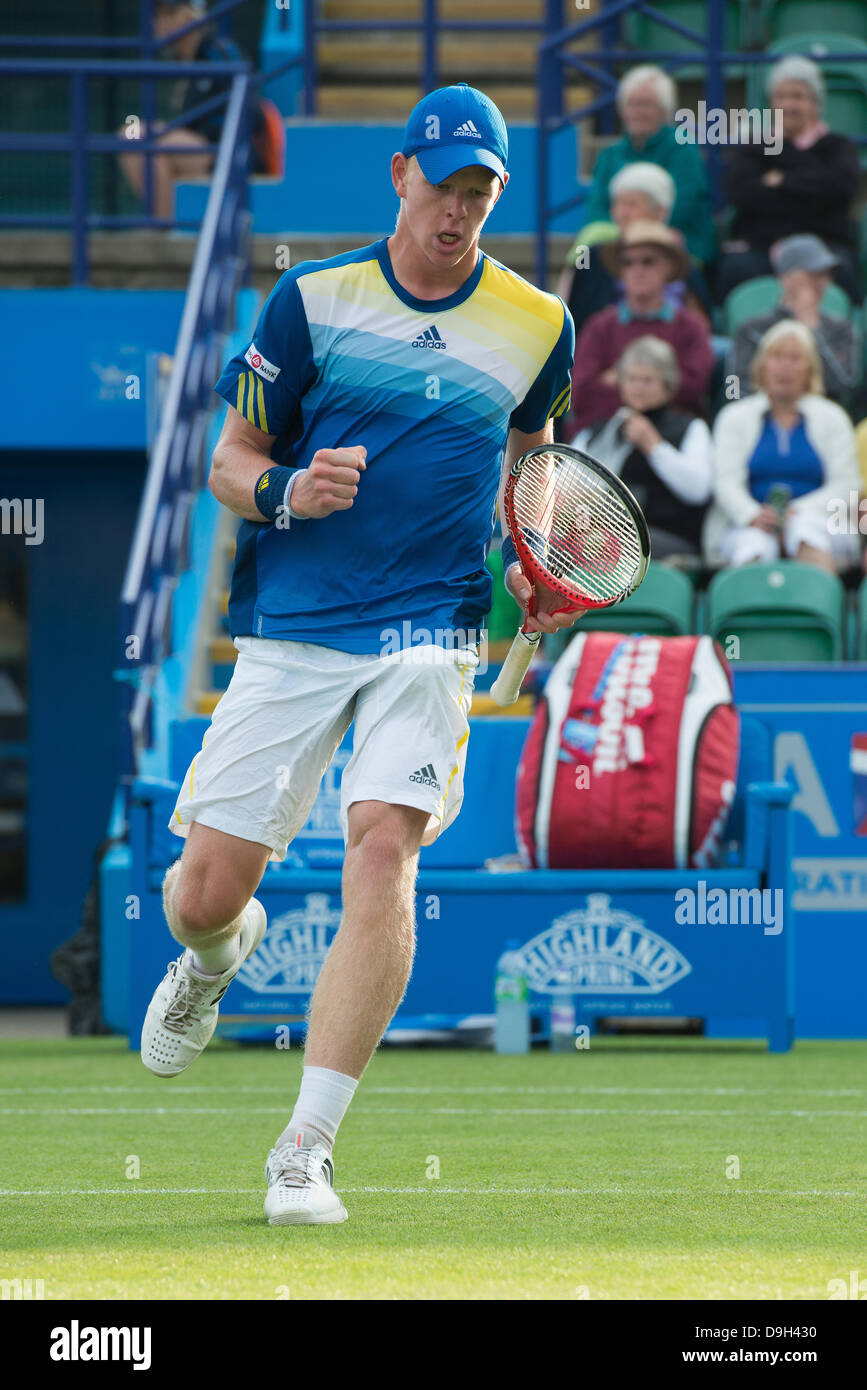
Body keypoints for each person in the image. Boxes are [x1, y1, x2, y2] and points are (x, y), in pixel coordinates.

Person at [138, 83, 582, 1226]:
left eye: (481, 192)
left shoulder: (539, 324)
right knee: (200, 893)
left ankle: (305, 1149)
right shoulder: (307, 301)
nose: (459, 211)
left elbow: (533, 470)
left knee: (386, 846)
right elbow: (227, 461)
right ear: (400, 175)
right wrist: (288, 489)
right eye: (444, 186)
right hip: (293, 626)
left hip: (433, 628)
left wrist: (535, 566)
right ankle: (212, 959)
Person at [706, 320, 860, 570]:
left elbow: (846, 484)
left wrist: (796, 512)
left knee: (805, 530)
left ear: (810, 369)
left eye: (795, 358)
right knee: (754, 546)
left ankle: (816, 606)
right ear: (761, 366)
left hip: (820, 520)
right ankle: (752, 607)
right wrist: (753, 515)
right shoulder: (733, 417)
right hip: (748, 523)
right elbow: (725, 481)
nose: (784, 367)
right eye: (776, 357)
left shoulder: (834, 417)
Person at [719, 56, 862, 304]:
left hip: (825, 245)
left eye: (797, 96)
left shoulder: (838, 146)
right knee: (735, 269)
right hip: (760, 247)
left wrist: (781, 179)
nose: (788, 105)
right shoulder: (754, 147)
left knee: (843, 272)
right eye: (781, 97)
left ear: (816, 103)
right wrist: (811, 187)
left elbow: (841, 188)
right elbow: (742, 191)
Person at [117, 0, 266, 220]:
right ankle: (164, 230)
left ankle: (162, 229)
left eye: (171, 13)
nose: (162, 23)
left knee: (137, 136)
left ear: (192, 15)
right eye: (159, 15)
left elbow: (252, 113)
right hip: (201, 150)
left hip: (229, 154)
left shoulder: (220, 52)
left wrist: (171, 133)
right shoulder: (185, 62)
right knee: (138, 144)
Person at [569, 337, 713, 561]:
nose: (638, 388)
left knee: (611, 545)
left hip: (666, 537)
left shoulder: (691, 427)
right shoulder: (597, 431)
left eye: (647, 380)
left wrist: (654, 447)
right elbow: (566, 486)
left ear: (667, 385)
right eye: (631, 379)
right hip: (599, 535)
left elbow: (698, 491)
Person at [566, 221, 713, 432]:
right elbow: (581, 393)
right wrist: (658, 382)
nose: (637, 270)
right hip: (602, 442)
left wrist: (619, 378)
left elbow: (693, 391)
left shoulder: (690, 327)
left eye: (648, 261)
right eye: (628, 262)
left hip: (673, 439)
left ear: (668, 267)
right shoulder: (599, 326)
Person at [576, 65, 717, 268]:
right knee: (587, 246)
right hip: (617, 241)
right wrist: (622, 235)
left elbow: (683, 207)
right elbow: (596, 209)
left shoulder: (683, 150)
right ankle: (567, 296)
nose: (638, 112)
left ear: (665, 111)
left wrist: (639, 235)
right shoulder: (610, 155)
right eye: (632, 104)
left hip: (673, 241)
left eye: (646, 104)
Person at [557, 163, 712, 343]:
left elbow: (701, 329)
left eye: (631, 204)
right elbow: (572, 321)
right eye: (618, 204)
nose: (622, 213)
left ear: (661, 212)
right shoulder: (592, 256)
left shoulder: (678, 258)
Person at [727, 234, 861, 414]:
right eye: (812, 275)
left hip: (822, 420)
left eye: (825, 275)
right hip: (759, 419)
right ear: (786, 278)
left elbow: (844, 384)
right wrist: (748, 412)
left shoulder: (841, 328)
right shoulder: (751, 329)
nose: (821, 283)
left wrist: (811, 326)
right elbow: (732, 387)